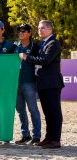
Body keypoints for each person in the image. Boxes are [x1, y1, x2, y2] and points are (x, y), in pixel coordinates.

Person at [19, 20, 64, 149]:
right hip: (43, 83)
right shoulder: (42, 43)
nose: (40, 30)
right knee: (47, 113)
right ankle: (49, 138)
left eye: (43, 28)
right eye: (39, 28)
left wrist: (27, 57)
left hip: (52, 84)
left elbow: (45, 60)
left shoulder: (53, 43)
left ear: (50, 29)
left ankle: (55, 140)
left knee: (54, 113)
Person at [14, 24, 41, 145]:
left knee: (33, 109)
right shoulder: (15, 46)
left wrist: (27, 57)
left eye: (23, 31)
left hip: (29, 82)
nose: (21, 33)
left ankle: (36, 136)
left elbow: (40, 60)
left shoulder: (35, 46)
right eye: (19, 31)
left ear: (30, 33)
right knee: (20, 110)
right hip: (16, 82)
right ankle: (25, 135)